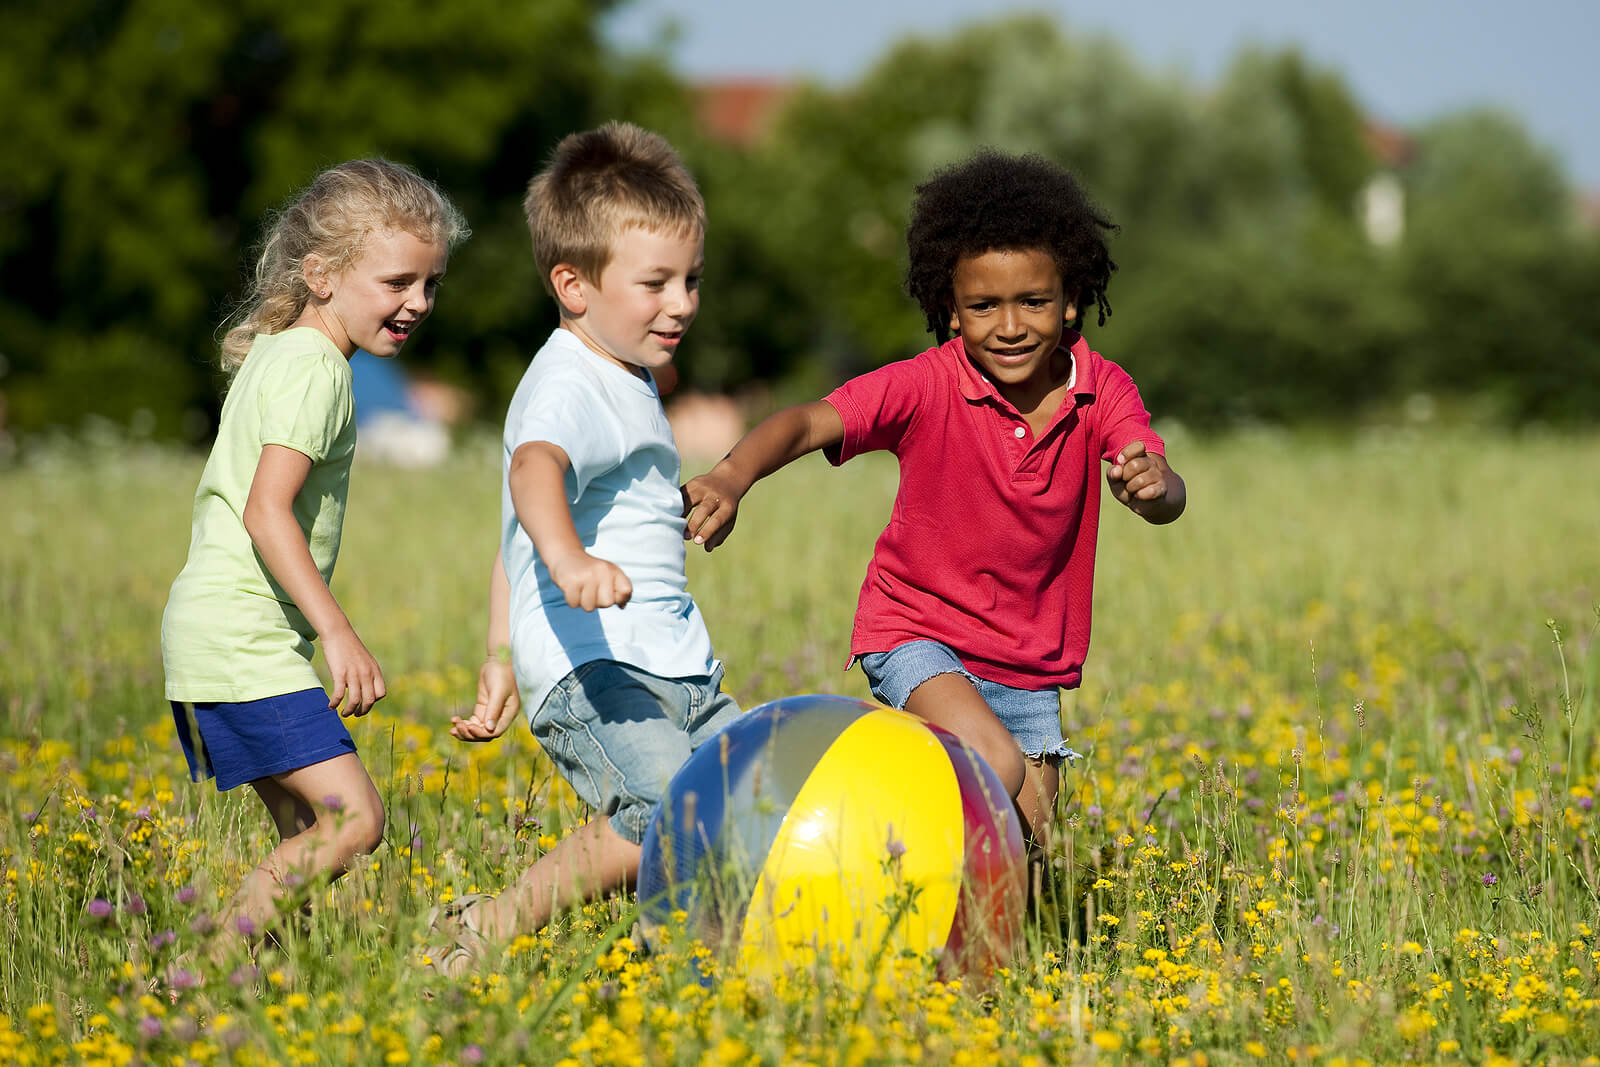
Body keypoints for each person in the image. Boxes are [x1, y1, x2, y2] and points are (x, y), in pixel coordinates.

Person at [682, 149, 1185, 842]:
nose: (1010, 325)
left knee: (1027, 854)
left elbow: (1160, 485)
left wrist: (1153, 487)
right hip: (917, 633)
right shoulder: (925, 385)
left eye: (1033, 301)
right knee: (993, 762)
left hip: (1031, 665)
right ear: (951, 311)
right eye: (984, 305)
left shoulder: (1103, 390)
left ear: (1070, 301)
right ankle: (865, 835)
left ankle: (961, 934)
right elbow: (807, 421)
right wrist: (731, 476)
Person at [431, 122, 740, 974]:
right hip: (599, 667)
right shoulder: (569, 380)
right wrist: (570, 563)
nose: (682, 302)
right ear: (574, 284)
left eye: (691, 280)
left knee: (750, 793)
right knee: (665, 810)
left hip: (674, 664)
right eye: (656, 283)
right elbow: (534, 476)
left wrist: (498, 653)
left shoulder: (623, 374)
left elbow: (513, 530)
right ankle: (495, 923)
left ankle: (685, 957)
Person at [162, 160, 468, 949]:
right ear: (321, 274)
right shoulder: (317, 371)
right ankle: (203, 979)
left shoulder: (283, 352)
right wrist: (337, 630)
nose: (418, 303)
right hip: (242, 639)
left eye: (430, 284)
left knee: (307, 829)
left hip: (216, 633)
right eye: (398, 280)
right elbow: (268, 511)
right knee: (353, 819)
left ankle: (267, 993)